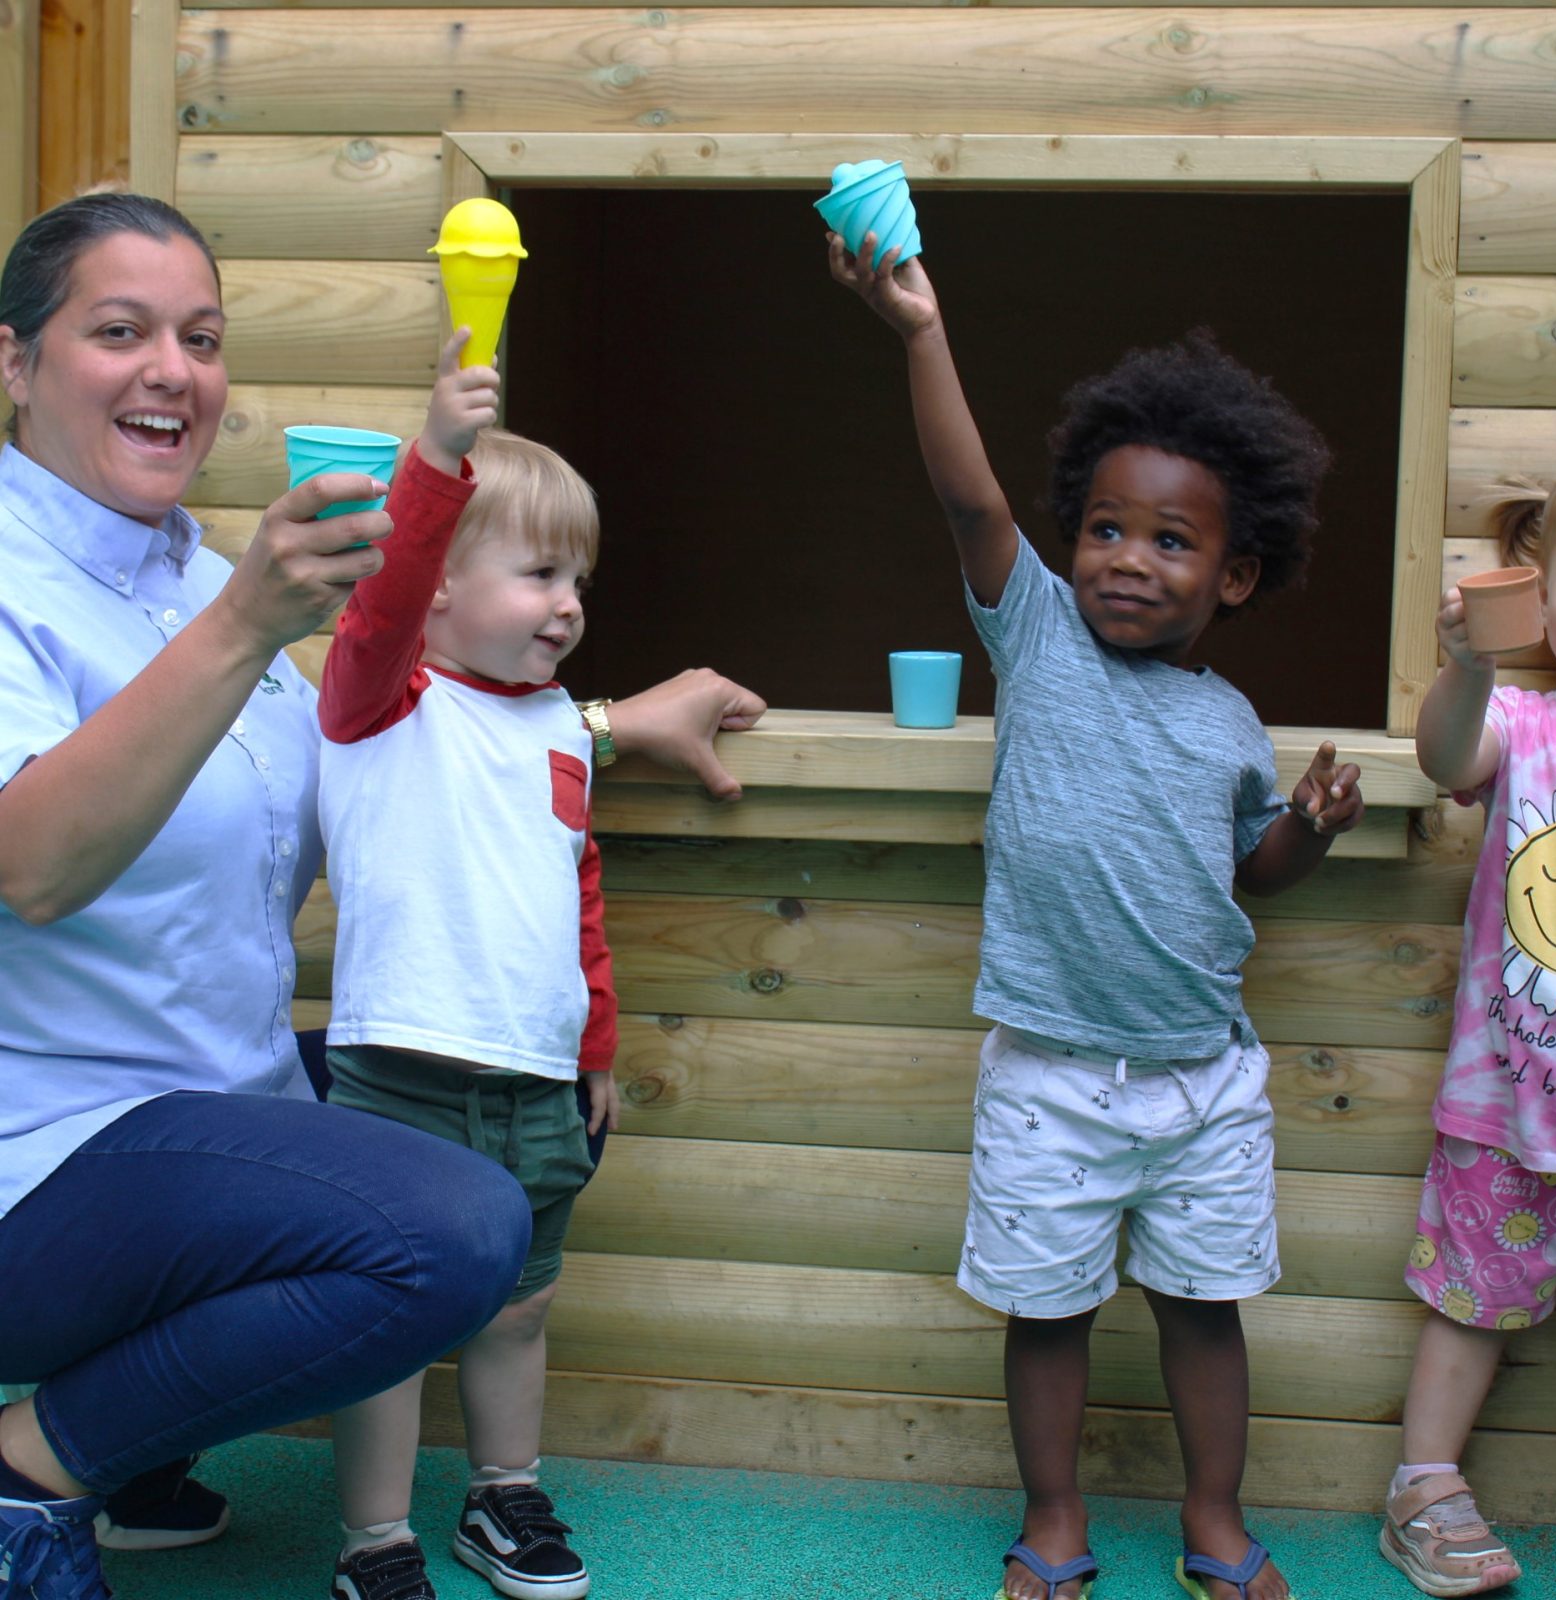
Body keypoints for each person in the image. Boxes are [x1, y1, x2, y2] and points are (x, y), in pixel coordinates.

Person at [0, 191, 764, 1600]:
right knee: (455, 1215)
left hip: (194, 1110)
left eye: (202, 335)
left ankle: (137, 1460)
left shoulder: (186, 576)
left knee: (485, 1082)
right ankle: (31, 1469)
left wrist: (606, 723)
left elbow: (421, 749)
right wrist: (255, 621)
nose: (173, 367)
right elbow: (32, 864)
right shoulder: (90, 585)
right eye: (120, 331)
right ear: (14, 364)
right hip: (41, 1154)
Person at [829, 234, 1365, 1600]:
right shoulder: (1042, 634)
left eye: (1172, 541)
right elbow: (968, 499)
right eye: (1107, 529)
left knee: (1204, 1309)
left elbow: (1252, 870)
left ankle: (1216, 1526)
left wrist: (1307, 826)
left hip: (1202, 1079)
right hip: (1051, 1073)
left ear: (1234, 577)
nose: (1128, 560)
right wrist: (919, 331)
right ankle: (1054, 1523)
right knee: (1048, 1311)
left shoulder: (1231, 720)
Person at [313, 334, 617, 1600]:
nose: (569, 602)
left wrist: (597, 1046)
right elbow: (380, 600)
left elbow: (576, 893)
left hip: (537, 1089)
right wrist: (436, 453)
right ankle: (374, 1540)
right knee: (393, 1327)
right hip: (404, 1079)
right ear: (436, 582)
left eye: (579, 578)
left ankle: (504, 1496)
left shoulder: (560, 722)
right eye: (541, 571)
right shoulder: (380, 697)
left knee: (515, 1310)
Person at [1380, 464, 1556, 1598]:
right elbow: (1441, 756)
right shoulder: (1520, 722)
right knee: (1469, 1307)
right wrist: (1465, 663)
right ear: (1546, 589)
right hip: (1506, 1108)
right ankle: (1423, 1484)